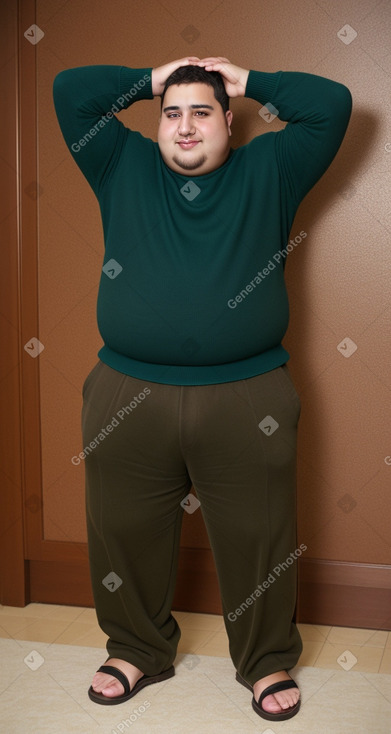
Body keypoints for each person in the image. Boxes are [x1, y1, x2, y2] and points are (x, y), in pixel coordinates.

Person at [53, 55, 352, 722]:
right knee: (121, 531)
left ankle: (265, 661)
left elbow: (329, 103)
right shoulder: (119, 163)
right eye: (171, 113)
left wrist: (245, 80)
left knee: (260, 536)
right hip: (124, 392)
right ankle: (135, 650)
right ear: (155, 121)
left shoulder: (269, 170)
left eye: (202, 111)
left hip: (247, 395)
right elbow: (70, 90)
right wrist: (161, 76)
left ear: (228, 123)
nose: (184, 126)